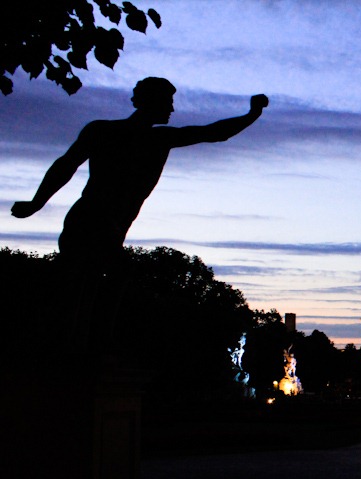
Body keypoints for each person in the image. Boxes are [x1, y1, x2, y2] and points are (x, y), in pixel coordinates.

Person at [10, 77, 269, 351]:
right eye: (167, 102)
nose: (171, 109)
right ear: (150, 102)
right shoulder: (109, 131)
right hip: (92, 219)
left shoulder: (157, 138)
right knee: (85, 282)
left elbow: (215, 132)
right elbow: (65, 165)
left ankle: (77, 345)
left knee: (85, 285)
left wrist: (252, 115)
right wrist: (36, 203)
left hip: (107, 223)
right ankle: (76, 347)